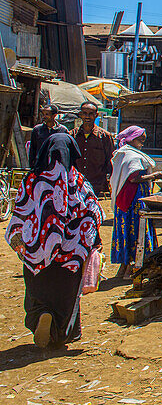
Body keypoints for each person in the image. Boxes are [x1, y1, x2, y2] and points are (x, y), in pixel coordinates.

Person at [5, 134, 103, 347]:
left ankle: (40, 314)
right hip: (69, 255)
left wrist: (19, 242)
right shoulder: (78, 181)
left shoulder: (32, 179)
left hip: (37, 252)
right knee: (66, 296)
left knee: (37, 292)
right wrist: (93, 243)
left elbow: (19, 212)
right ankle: (59, 333)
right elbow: (92, 213)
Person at [109, 126, 162, 278]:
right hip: (134, 199)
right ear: (132, 138)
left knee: (124, 229)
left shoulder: (123, 153)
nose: (143, 141)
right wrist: (155, 176)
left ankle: (124, 266)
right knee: (136, 229)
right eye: (141, 138)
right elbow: (133, 178)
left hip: (124, 200)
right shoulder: (131, 156)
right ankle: (132, 267)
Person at [71, 102, 114, 196]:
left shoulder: (105, 136)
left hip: (97, 186)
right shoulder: (72, 135)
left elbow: (110, 161)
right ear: (80, 115)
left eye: (91, 114)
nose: (87, 116)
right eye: (85, 113)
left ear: (96, 115)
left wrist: (109, 183)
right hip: (76, 183)